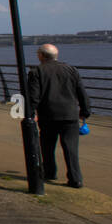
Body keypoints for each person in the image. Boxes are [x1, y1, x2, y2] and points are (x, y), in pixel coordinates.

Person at [27, 43, 91, 188]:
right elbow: (81, 92)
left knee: (47, 146)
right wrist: (85, 111)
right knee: (71, 148)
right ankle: (76, 178)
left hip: (48, 115)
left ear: (41, 56)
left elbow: (33, 97)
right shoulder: (71, 69)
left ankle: (50, 172)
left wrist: (30, 114)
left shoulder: (36, 72)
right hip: (70, 115)